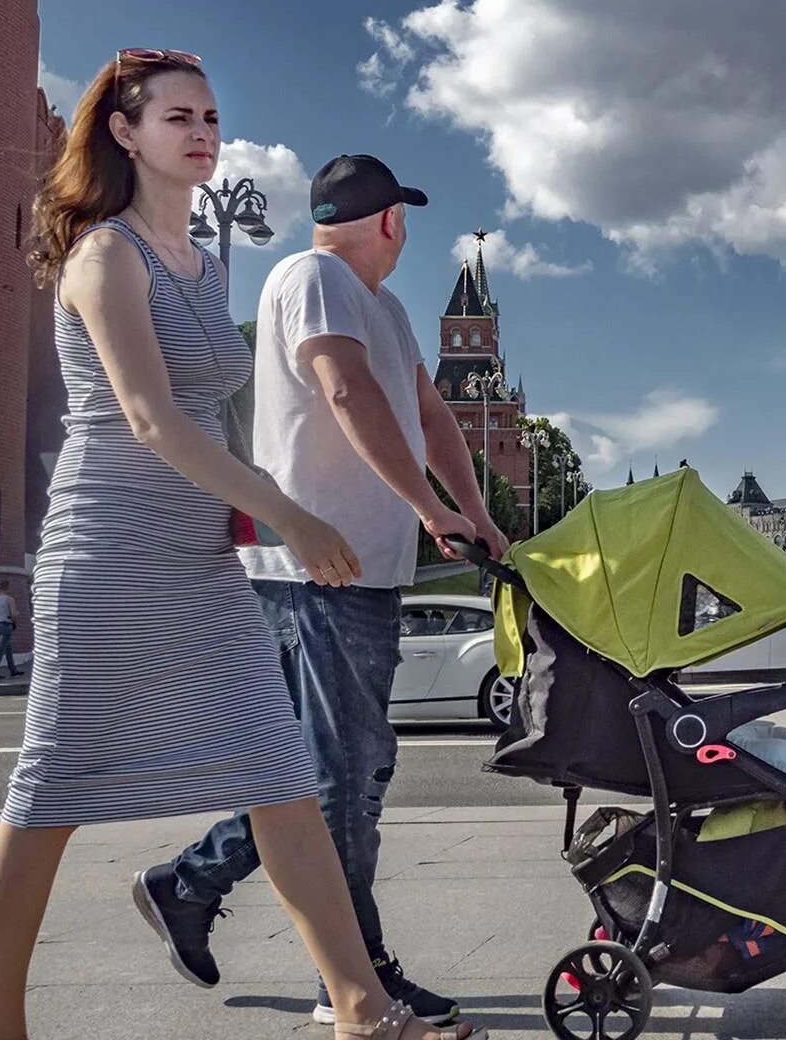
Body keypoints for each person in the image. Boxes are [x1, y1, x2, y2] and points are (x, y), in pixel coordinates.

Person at [0, 48, 480, 1040]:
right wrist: (290, 515)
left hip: (203, 561)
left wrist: (255, 518)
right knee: (50, 788)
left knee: (283, 779)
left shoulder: (205, 269)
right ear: (125, 133)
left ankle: (360, 1012)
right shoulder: (106, 255)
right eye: (177, 117)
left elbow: (217, 425)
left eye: (209, 115)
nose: (201, 131)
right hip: (109, 553)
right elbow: (151, 419)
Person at [135, 152, 509, 1029]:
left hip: (361, 572)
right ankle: (354, 978)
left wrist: (476, 513)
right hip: (316, 572)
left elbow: (430, 414)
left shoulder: (386, 307)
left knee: (337, 769)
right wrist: (428, 508)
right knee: (345, 778)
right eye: (403, 219)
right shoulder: (317, 278)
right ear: (388, 221)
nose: (404, 233)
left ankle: (188, 883)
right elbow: (344, 390)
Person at [0, 581, 20, 679]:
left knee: (8, 649)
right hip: (6, 624)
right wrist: (15, 622)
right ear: (7, 587)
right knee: (0, 650)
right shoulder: (9, 599)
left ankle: (13, 670)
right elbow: (13, 614)